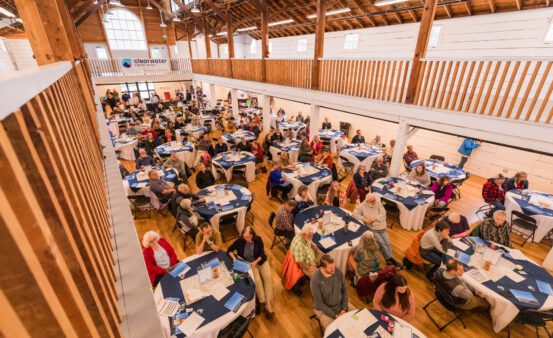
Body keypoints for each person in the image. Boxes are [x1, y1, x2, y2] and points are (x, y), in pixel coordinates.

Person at [228, 227, 275, 318]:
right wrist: (234, 258)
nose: (246, 238)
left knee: (268, 277)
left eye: (248, 236)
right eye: (245, 236)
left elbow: (262, 253)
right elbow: (229, 250)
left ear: (253, 235)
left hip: (260, 261)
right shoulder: (240, 241)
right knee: (257, 280)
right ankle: (263, 301)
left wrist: (256, 262)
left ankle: (268, 302)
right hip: (249, 264)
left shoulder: (258, 239)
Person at [353, 193, 402, 267]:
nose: (374, 202)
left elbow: (383, 213)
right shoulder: (362, 206)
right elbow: (354, 214)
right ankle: (391, 260)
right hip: (372, 228)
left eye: (374, 200)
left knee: (388, 243)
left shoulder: (378, 202)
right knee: (382, 243)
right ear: (367, 201)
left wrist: (374, 218)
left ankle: (390, 260)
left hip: (382, 227)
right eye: (372, 201)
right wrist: (364, 219)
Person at [310, 255, 354, 330]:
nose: (333, 269)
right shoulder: (315, 280)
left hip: (341, 305)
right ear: (323, 268)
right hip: (325, 310)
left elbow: (344, 290)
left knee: (356, 318)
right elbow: (319, 304)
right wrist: (335, 316)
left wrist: (343, 308)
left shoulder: (338, 272)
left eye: (333, 266)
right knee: (333, 330)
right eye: (330, 268)